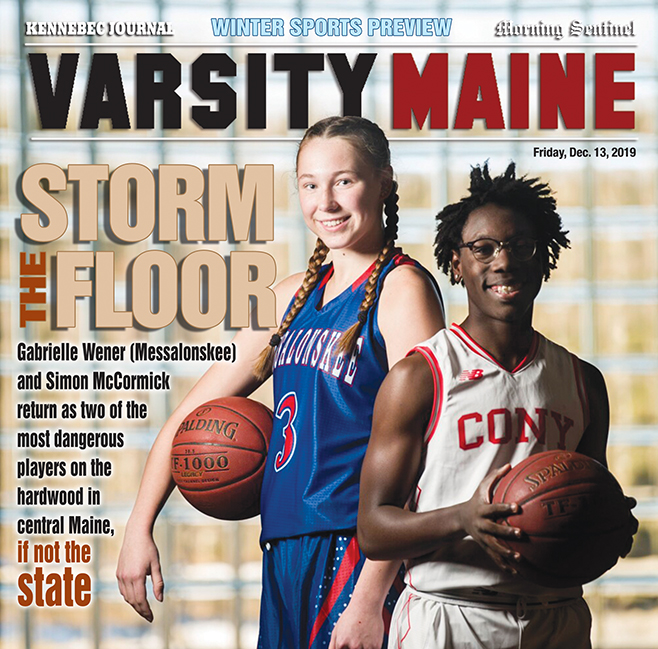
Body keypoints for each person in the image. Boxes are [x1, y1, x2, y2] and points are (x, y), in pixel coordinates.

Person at [116, 116, 445, 649]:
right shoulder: (291, 298)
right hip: (284, 547)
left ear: (383, 182)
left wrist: (368, 600)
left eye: (345, 181)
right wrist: (138, 526)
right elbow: (188, 416)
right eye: (310, 185)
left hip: (359, 551)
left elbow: (431, 453)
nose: (327, 202)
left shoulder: (402, 289)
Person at [357, 162, 637, 649]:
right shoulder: (420, 376)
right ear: (456, 263)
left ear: (544, 257)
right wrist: (462, 517)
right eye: (483, 249)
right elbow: (374, 529)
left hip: (558, 617)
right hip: (449, 616)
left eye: (520, 246)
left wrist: (608, 522)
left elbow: (584, 500)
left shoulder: (583, 381)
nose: (502, 262)